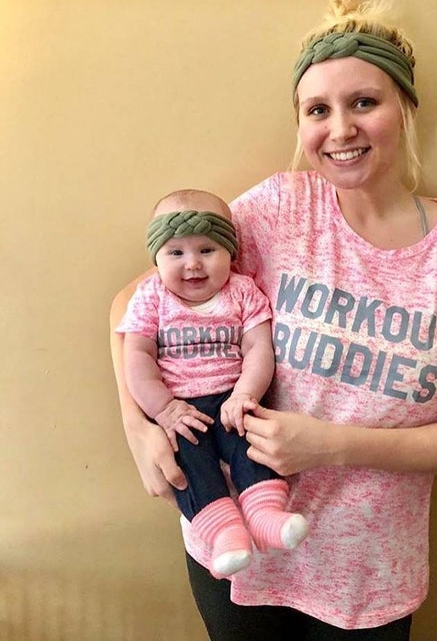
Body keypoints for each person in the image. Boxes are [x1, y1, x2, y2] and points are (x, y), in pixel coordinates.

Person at [110, 0, 437, 641]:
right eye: (318, 109)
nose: (340, 129)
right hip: (239, 547)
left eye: (364, 101)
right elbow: (135, 304)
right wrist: (139, 429)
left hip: (372, 573)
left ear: (406, 107)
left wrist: (332, 444)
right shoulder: (280, 211)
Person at [116, 189, 309, 580]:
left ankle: (267, 516)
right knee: (189, 465)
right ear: (155, 258)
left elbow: (258, 348)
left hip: (232, 398)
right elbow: (136, 358)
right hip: (179, 408)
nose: (192, 265)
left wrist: (245, 395)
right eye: (176, 253)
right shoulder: (151, 297)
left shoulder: (241, 291)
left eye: (207, 250)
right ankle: (224, 534)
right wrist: (164, 410)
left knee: (251, 446)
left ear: (230, 252)